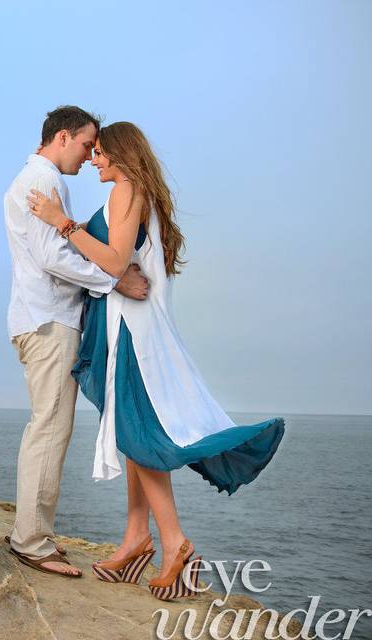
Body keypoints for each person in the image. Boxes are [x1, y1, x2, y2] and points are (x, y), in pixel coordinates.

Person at [27, 121, 285, 600]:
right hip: (128, 326)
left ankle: (175, 544)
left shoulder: (128, 189)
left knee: (140, 433)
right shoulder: (131, 193)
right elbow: (116, 255)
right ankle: (135, 539)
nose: (95, 161)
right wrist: (81, 228)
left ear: (122, 155)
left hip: (132, 332)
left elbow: (113, 260)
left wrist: (59, 220)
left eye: (101, 152)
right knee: (134, 432)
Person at [3, 106, 150, 578]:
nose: (90, 156)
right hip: (49, 321)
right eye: (87, 145)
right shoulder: (44, 181)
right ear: (62, 137)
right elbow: (52, 257)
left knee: (47, 427)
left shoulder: (37, 179)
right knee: (50, 430)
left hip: (40, 318)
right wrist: (114, 282)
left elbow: (57, 248)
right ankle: (32, 542)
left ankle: (33, 533)